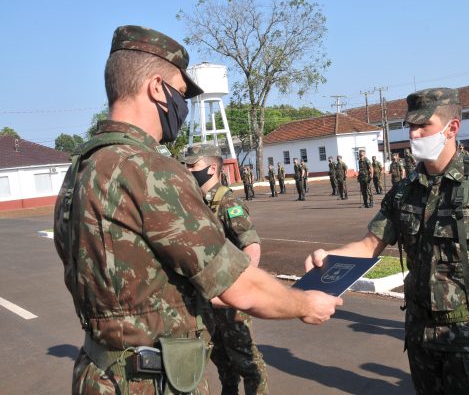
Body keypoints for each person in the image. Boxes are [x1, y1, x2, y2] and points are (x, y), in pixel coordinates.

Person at [53, 25, 341, 395]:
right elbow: (237, 286)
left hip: (99, 373)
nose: (183, 106)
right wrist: (304, 303)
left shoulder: (81, 169)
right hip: (151, 383)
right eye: (181, 93)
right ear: (157, 88)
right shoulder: (147, 171)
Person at [305, 87, 469, 395]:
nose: (413, 134)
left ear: (452, 127)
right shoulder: (403, 192)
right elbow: (369, 245)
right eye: (410, 126)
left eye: (423, 125)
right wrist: (327, 258)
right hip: (419, 337)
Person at [186, 143, 268, 395]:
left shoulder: (228, 203)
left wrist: (238, 288)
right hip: (207, 300)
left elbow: (251, 246)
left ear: (212, 168)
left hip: (228, 302)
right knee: (221, 360)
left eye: (193, 166)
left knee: (247, 362)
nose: (187, 170)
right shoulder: (196, 202)